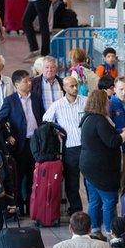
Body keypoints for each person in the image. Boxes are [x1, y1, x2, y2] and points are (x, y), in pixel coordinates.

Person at [80, 90, 125, 234]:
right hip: (101, 169)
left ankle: (95, 230)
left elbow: (108, 133)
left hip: (89, 167)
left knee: (94, 201)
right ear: (101, 103)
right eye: (107, 101)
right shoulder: (100, 120)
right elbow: (113, 141)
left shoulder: (88, 118)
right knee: (109, 200)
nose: (109, 103)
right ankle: (111, 232)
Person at [0, 70, 44, 215]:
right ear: (17, 84)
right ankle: (18, 207)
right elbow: (0, 120)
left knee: (32, 175)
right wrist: (8, 135)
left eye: (30, 80)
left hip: (35, 142)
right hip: (20, 144)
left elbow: (41, 116)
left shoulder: (36, 97)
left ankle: (31, 206)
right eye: (26, 81)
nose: (30, 83)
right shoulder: (10, 100)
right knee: (18, 177)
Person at [43, 76, 86, 216]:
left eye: (76, 85)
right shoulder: (57, 105)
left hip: (86, 147)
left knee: (90, 180)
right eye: (71, 86)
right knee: (72, 181)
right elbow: (46, 120)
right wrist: (56, 131)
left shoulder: (85, 101)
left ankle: (93, 208)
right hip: (70, 147)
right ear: (64, 87)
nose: (75, 88)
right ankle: (76, 209)